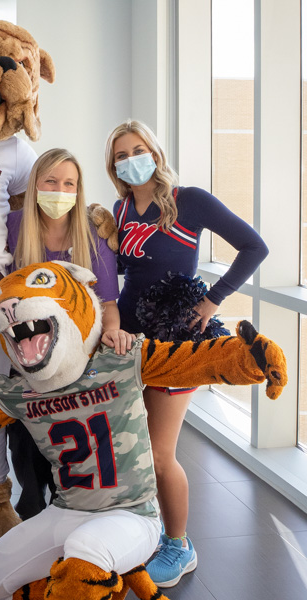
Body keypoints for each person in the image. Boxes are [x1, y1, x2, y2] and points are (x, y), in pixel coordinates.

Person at [105, 119, 269, 587]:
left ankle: (180, 546)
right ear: (113, 165)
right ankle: (146, 531)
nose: (130, 159)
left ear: (155, 153)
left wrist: (215, 298)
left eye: (138, 149)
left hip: (176, 339)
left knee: (159, 453)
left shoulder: (187, 200)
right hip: (131, 342)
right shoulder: (119, 210)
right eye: (120, 154)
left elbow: (254, 246)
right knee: (130, 451)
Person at [5, 148, 135, 522]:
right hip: (29, 354)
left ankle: (72, 509)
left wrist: (113, 333)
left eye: (69, 184)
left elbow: (108, 303)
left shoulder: (93, 234)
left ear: (78, 190)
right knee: (25, 438)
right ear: (34, 185)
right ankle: (31, 504)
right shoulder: (12, 226)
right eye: (50, 181)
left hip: (81, 358)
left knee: (73, 441)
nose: (59, 190)